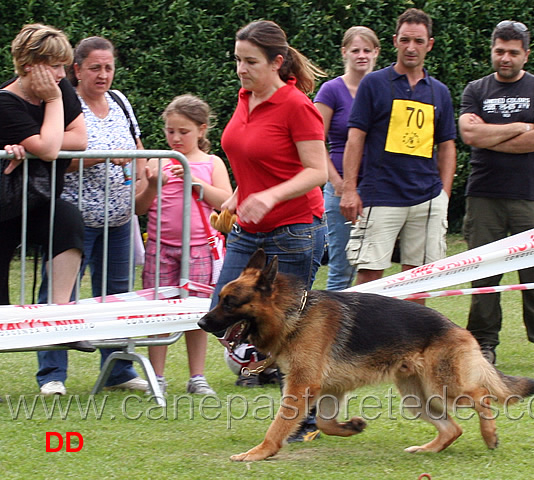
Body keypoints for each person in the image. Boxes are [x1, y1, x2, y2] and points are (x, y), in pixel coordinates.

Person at [209, 20, 328, 442]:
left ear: (277, 62)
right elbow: (258, 159)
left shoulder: (298, 106)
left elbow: (318, 171)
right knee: (220, 312)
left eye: (251, 62)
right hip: (247, 228)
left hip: (294, 231)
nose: (241, 69)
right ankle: (300, 388)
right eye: (238, 60)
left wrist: (271, 196)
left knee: (291, 333)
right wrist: (239, 194)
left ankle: (306, 421)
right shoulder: (245, 98)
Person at [36, 36, 148, 395]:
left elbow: (136, 144)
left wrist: (142, 169)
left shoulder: (119, 101)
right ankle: (52, 374)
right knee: (59, 295)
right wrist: (103, 156)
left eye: (109, 67)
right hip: (73, 220)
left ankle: (118, 371)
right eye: (95, 68)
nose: (103, 75)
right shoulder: (64, 104)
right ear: (77, 70)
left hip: (118, 219)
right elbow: (55, 158)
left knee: (116, 295)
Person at [459, 20, 534, 369]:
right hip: (484, 195)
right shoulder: (476, 89)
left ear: (526, 55)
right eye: (499, 51)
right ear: (492, 50)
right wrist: (520, 126)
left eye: (513, 52)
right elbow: (470, 137)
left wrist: (492, 134)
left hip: (530, 195)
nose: (505, 58)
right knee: (484, 274)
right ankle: (484, 345)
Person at [340, 8, 456, 304]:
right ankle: (363, 345)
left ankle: (411, 347)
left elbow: (447, 146)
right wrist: (350, 189)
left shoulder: (439, 92)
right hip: (380, 196)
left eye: (418, 41)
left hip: (427, 198)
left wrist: (443, 195)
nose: (411, 47)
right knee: (369, 276)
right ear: (395, 41)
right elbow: (356, 138)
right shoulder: (374, 84)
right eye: (405, 40)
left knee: (418, 278)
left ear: (429, 44)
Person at [0, 24, 88, 395]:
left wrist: (36, 142)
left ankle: (59, 316)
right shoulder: (5, 102)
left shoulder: (59, 88)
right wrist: (52, 108)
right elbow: (53, 150)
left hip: (36, 201)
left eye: (63, 67)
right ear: (29, 65)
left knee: (68, 219)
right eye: (53, 66)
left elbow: (79, 140)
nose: (60, 75)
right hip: (1, 207)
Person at [137, 94, 233, 395]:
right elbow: (140, 207)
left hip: (199, 250)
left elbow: (227, 202)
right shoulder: (157, 160)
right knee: (158, 313)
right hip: (160, 248)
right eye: (170, 131)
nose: (176, 138)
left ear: (202, 130)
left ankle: (197, 376)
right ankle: (158, 377)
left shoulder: (211, 162)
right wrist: (153, 184)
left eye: (184, 132)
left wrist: (197, 184)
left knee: (198, 312)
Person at [314, 26, 380, 291]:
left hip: (380, 191)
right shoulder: (331, 90)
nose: (361, 55)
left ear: (376, 52)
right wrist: (339, 183)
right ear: (344, 52)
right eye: (355, 50)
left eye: (367, 50)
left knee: (374, 267)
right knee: (342, 269)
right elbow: (315, 142)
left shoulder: (384, 89)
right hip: (340, 191)